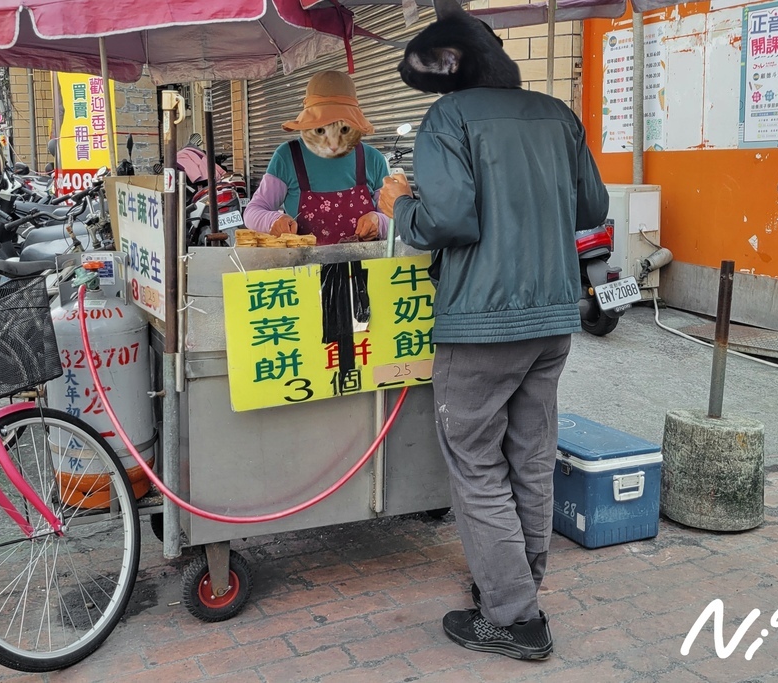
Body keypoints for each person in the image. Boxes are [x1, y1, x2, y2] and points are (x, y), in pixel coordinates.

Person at [378, 0, 610, 662]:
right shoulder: (557, 116)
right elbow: (592, 205)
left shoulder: (448, 118)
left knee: (476, 463)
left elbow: (450, 219)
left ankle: (512, 614)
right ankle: (519, 582)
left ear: (450, 68)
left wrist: (401, 209)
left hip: (481, 321)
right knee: (529, 455)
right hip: (553, 319)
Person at [243, 70, 390, 245]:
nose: (333, 140)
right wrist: (273, 221)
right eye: (322, 128)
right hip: (306, 269)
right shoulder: (287, 157)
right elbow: (253, 211)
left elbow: (395, 219)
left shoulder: (373, 159)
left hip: (364, 269)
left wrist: (379, 222)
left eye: (343, 128)